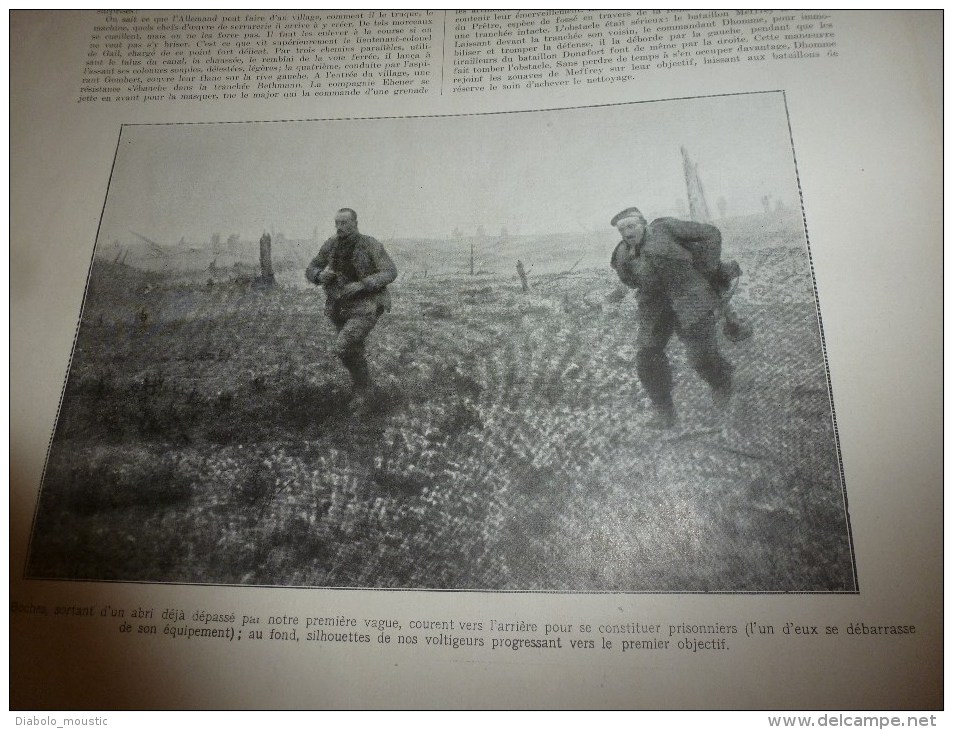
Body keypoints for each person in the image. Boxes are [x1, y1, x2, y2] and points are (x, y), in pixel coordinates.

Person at [609, 206, 741, 428]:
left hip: (690, 297)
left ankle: (722, 382)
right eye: (622, 230)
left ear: (643, 223)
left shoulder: (666, 229)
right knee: (647, 357)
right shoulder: (622, 254)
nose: (627, 233)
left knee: (700, 356)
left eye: (631, 226)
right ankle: (665, 413)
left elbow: (711, 233)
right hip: (655, 306)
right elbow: (629, 280)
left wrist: (708, 270)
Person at [306, 208, 397, 404]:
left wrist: (363, 284)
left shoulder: (370, 244)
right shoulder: (330, 245)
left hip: (367, 304)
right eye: (337, 223)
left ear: (355, 223)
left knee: (343, 346)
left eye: (344, 223)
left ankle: (364, 389)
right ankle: (364, 390)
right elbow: (312, 267)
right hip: (340, 306)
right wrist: (319, 276)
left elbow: (390, 272)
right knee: (353, 349)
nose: (339, 227)